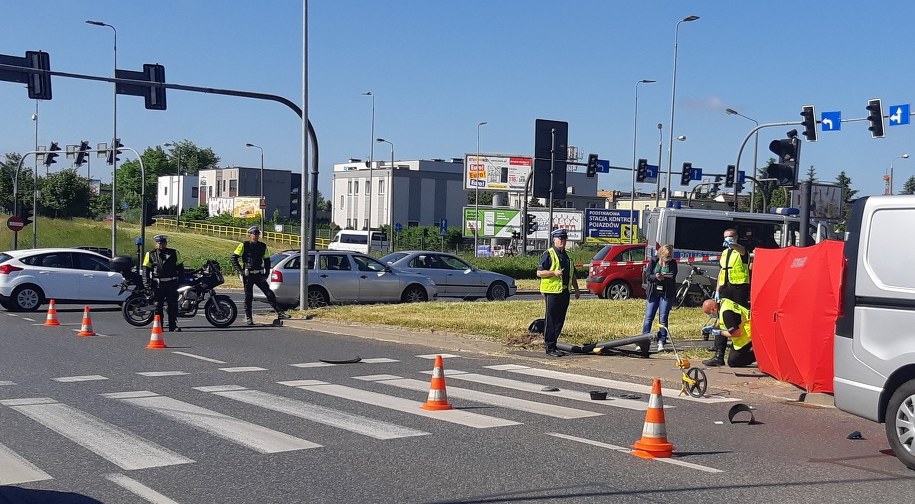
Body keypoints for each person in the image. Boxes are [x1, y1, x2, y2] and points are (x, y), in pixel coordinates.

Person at [232, 226, 289, 325]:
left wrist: (266, 273)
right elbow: (233, 258)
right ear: (250, 235)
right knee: (248, 297)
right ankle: (249, 318)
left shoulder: (263, 246)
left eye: (257, 234)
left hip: (259, 274)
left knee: (269, 293)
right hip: (248, 275)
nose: (256, 236)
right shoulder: (243, 245)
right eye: (254, 234)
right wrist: (240, 270)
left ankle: (280, 313)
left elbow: (267, 260)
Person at [537, 229, 580, 357]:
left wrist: (577, 289)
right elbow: (539, 273)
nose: (562, 241)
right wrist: (553, 273)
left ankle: (554, 345)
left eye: (564, 239)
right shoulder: (548, 254)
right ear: (554, 240)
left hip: (565, 291)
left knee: (560, 320)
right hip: (551, 291)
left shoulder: (568, 256)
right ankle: (549, 347)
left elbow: (572, 274)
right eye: (560, 239)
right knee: (551, 319)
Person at [641, 244, 678, 351]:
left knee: (663, 318)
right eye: (666, 256)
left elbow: (672, 276)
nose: (668, 258)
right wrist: (656, 277)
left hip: (666, 292)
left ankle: (662, 340)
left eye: (669, 256)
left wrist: (664, 277)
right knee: (648, 317)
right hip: (654, 292)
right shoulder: (653, 260)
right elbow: (648, 275)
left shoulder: (673, 263)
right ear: (661, 254)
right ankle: (643, 340)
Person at [143, 234, 183, 332]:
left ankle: (172, 326)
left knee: (173, 306)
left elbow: (181, 269)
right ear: (156, 244)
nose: (161, 245)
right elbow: (146, 271)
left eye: (163, 243)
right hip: (158, 284)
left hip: (171, 283)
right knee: (157, 306)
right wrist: (147, 285)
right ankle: (158, 327)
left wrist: (180, 282)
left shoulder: (174, 253)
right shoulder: (150, 254)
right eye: (159, 243)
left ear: (166, 243)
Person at [701, 298, 756, 367]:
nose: (710, 316)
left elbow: (736, 333)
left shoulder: (726, 313)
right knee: (719, 329)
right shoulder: (723, 302)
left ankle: (758, 355)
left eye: (709, 314)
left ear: (713, 309)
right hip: (747, 326)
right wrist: (712, 327)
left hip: (748, 335)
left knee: (733, 362)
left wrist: (719, 332)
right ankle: (718, 358)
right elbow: (724, 323)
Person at [716, 227, 750, 307]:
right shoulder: (724, 253)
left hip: (739, 287)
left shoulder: (741, 250)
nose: (727, 238)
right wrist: (717, 290)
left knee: (740, 311)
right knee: (725, 311)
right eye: (725, 237)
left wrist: (732, 244)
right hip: (724, 287)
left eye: (730, 236)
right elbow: (721, 272)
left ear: (736, 237)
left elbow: (742, 250)